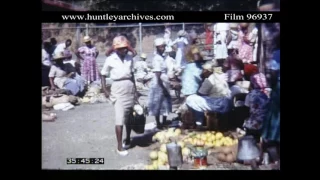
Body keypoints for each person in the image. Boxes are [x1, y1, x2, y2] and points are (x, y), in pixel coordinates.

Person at [100, 36, 135, 156]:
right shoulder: (111, 59)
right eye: (120, 48)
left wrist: (135, 90)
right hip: (117, 89)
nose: (124, 50)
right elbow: (103, 74)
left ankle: (128, 138)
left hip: (129, 87)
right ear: (115, 49)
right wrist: (105, 89)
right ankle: (119, 147)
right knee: (119, 118)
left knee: (129, 116)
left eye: (125, 48)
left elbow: (133, 74)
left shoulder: (130, 58)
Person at [186, 61, 232, 126]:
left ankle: (199, 122)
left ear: (208, 71)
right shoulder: (221, 75)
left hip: (218, 104)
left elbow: (201, 93)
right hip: (226, 102)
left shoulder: (210, 79)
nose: (203, 72)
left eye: (204, 70)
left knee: (190, 99)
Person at [148, 38, 172, 129]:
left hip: (164, 81)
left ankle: (164, 121)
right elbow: (158, 75)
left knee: (165, 103)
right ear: (157, 48)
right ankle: (158, 123)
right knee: (158, 103)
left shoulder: (163, 57)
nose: (163, 48)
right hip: (159, 83)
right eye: (161, 47)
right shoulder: (157, 59)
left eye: (164, 46)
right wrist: (162, 87)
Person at [243, 73, 269, 143]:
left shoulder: (250, 95)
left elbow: (246, 110)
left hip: (254, 124)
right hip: (265, 123)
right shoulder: (266, 94)